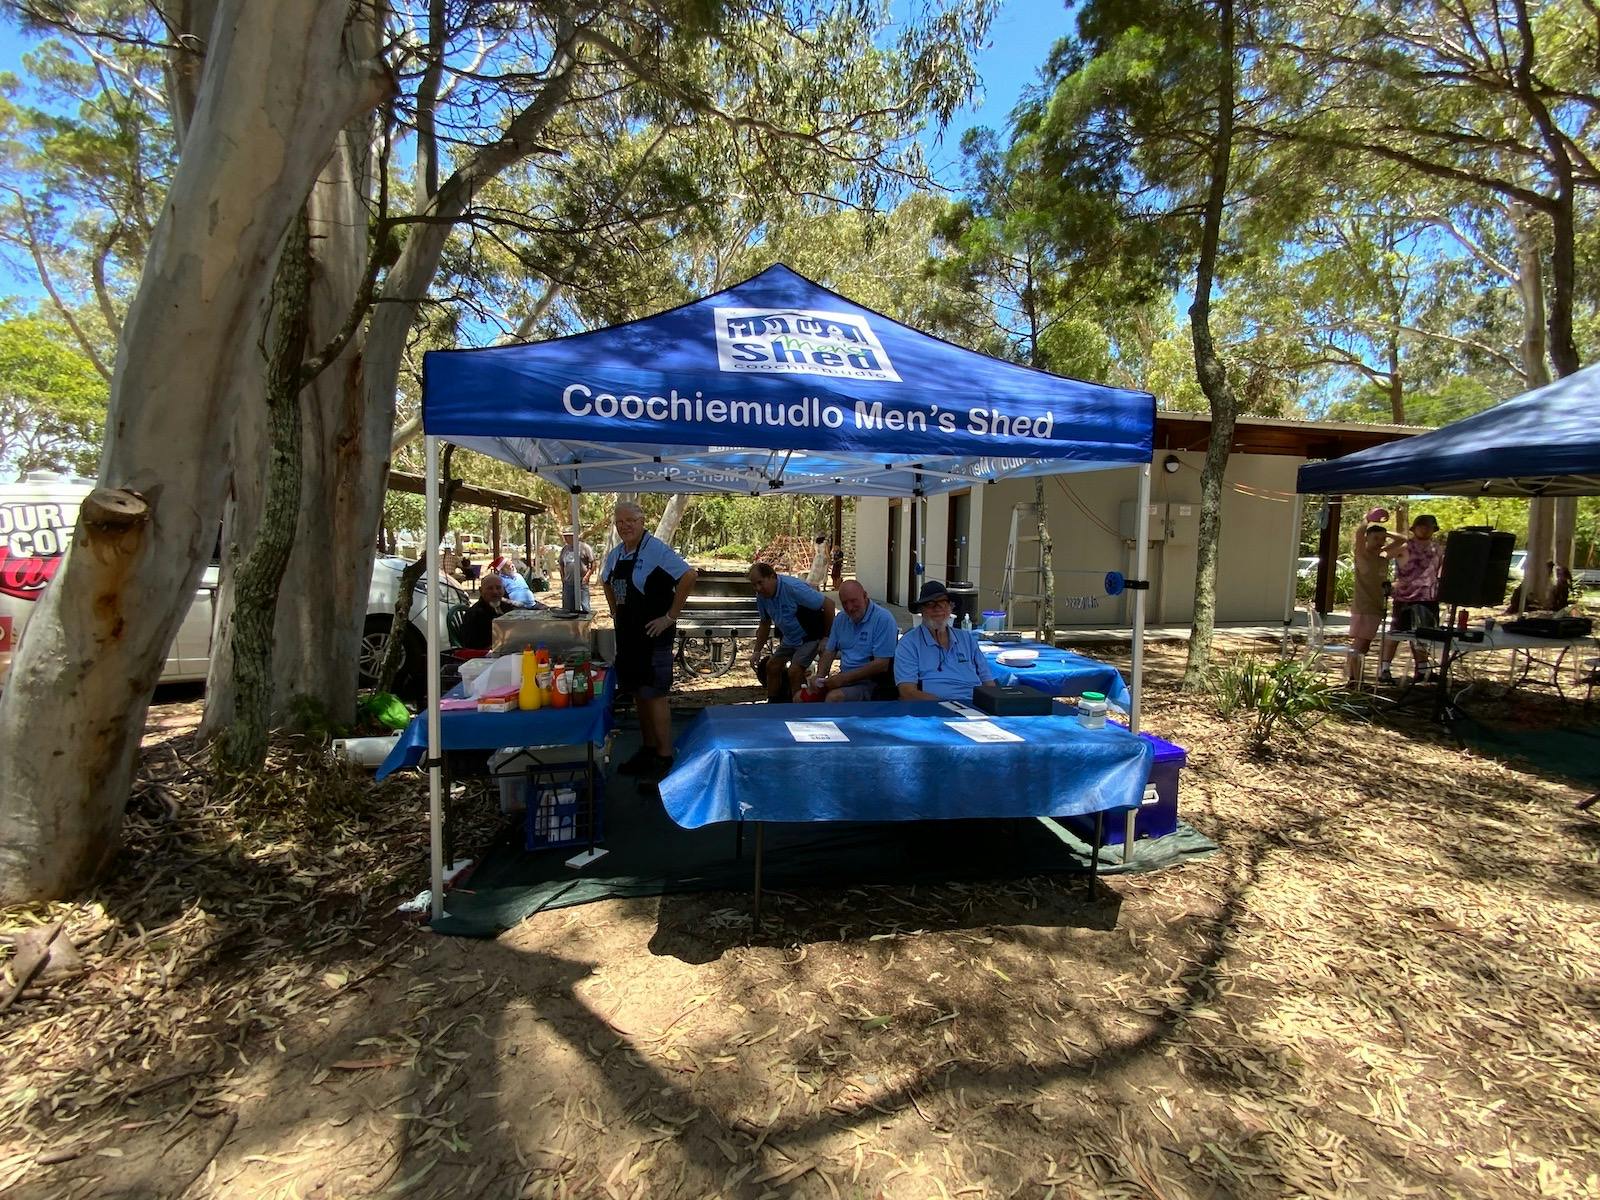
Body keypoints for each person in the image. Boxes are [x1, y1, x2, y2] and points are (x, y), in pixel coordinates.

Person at [602, 501, 697, 780]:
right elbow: (605, 581)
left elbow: (689, 575)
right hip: (628, 636)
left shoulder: (655, 549)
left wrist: (670, 616)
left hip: (654, 636)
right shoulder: (617, 553)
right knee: (637, 692)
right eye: (620, 522)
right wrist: (615, 612)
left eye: (630, 521)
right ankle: (648, 748)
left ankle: (665, 757)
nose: (625, 526)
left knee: (654, 694)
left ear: (642, 521)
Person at [749, 561, 835, 702]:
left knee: (794, 671)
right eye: (754, 585)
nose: (758, 588)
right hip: (790, 637)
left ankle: (798, 707)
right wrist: (757, 651)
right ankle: (774, 704)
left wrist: (826, 637)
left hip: (810, 636)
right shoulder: (761, 597)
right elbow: (765, 623)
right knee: (772, 666)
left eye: (760, 583)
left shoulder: (793, 588)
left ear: (772, 577)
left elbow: (829, 605)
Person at [894, 580, 994, 701]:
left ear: (951, 607)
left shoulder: (967, 638)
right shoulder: (909, 643)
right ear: (921, 610)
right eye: (930, 604)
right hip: (934, 708)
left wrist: (992, 704)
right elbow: (907, 693)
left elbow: (988, 683)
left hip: (975, 705)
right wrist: (946, 705)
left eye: (943, 603)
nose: (938, 609)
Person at [809, 579, 900, 701]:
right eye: (845, 603)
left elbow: (882, 665)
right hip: (845, 680)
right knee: (800, 697)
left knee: (833, 698)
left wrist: (844, 679)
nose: (850, 607)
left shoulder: (883, 619)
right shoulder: (840, 619)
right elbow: (829, 652)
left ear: (865, 596)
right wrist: (819, 676)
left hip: (872, 683)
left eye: (853, 601)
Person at [1380, 513, 1444, 684]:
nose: (1424, 530)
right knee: (1396, 633)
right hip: (1404, 597)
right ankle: (1385, 669)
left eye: (1428, 527)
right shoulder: (1404, 547)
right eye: (1421, 526)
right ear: (1414, 528)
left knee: (1423, 636)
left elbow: (1441, 571)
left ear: (1434, 529)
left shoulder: (1437, 549)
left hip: (1428, 598)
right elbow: (1381, 557)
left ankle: (1422, 670)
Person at [1348, 509, 1400, 683]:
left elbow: (1403, 540)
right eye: (1375, 538)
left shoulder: (1383, 556)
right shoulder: (1362, 555)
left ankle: (1356, 679)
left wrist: (1385, 532)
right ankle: (1354, 680)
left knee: (1365, 646)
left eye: (1382, 539)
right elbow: (1359, 534)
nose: (1380, 542)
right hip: (1364, 607)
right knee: (1359, 645)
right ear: (1367, 539)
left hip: (1377, 607)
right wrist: (1367, 520)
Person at [457, 571, 514, 650]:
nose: (495, 592)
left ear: (504, 590)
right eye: (490, 588)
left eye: (498, 588)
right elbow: (471, 646)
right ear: (481, 590)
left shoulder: (507, 607)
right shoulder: (474, 615)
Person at [559, 530, 597, 613]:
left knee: (585, 607)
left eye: (568, 536)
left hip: (581, 582)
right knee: (568, 609)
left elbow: (593, 563)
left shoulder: (585, 547)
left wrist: (587, 576)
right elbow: (561, 564)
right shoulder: (565, 549)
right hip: (568, 583)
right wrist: (563, 577)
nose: (565, 538)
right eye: (564, 536)